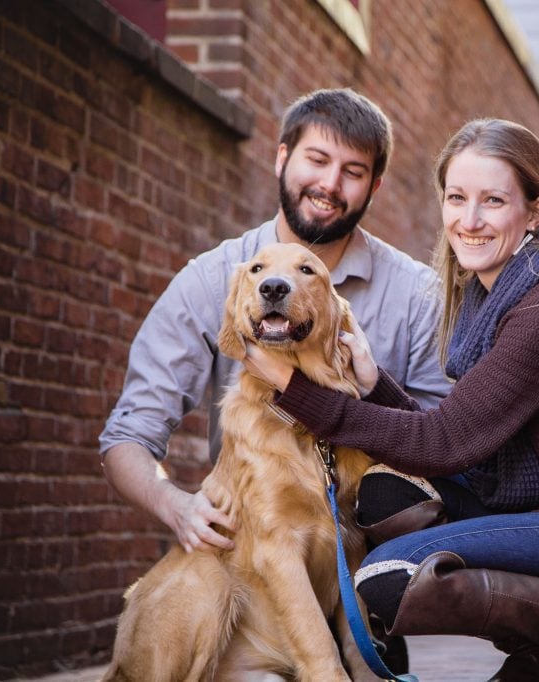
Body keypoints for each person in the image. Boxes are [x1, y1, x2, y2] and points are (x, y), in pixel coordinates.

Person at [243, 118, 539, 682]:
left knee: (389, 576)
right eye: (457, 198)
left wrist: (296, 392)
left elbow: (447, 442)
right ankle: (537, 662)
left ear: (535, 212)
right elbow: (464, 442)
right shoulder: (494, 298)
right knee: (383, 495)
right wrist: (374, 383)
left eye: (493, 201)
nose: (470, 220)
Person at [99, 88, 451, 557]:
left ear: (375, 186)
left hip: (372, 564)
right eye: (317, 159)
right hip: (255, 556)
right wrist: (175, 505)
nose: (330, 184)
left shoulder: (417, 295)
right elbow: (128, 435)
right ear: (282, 157)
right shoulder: (211, 278)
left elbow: (442, 444)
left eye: (353, 171)